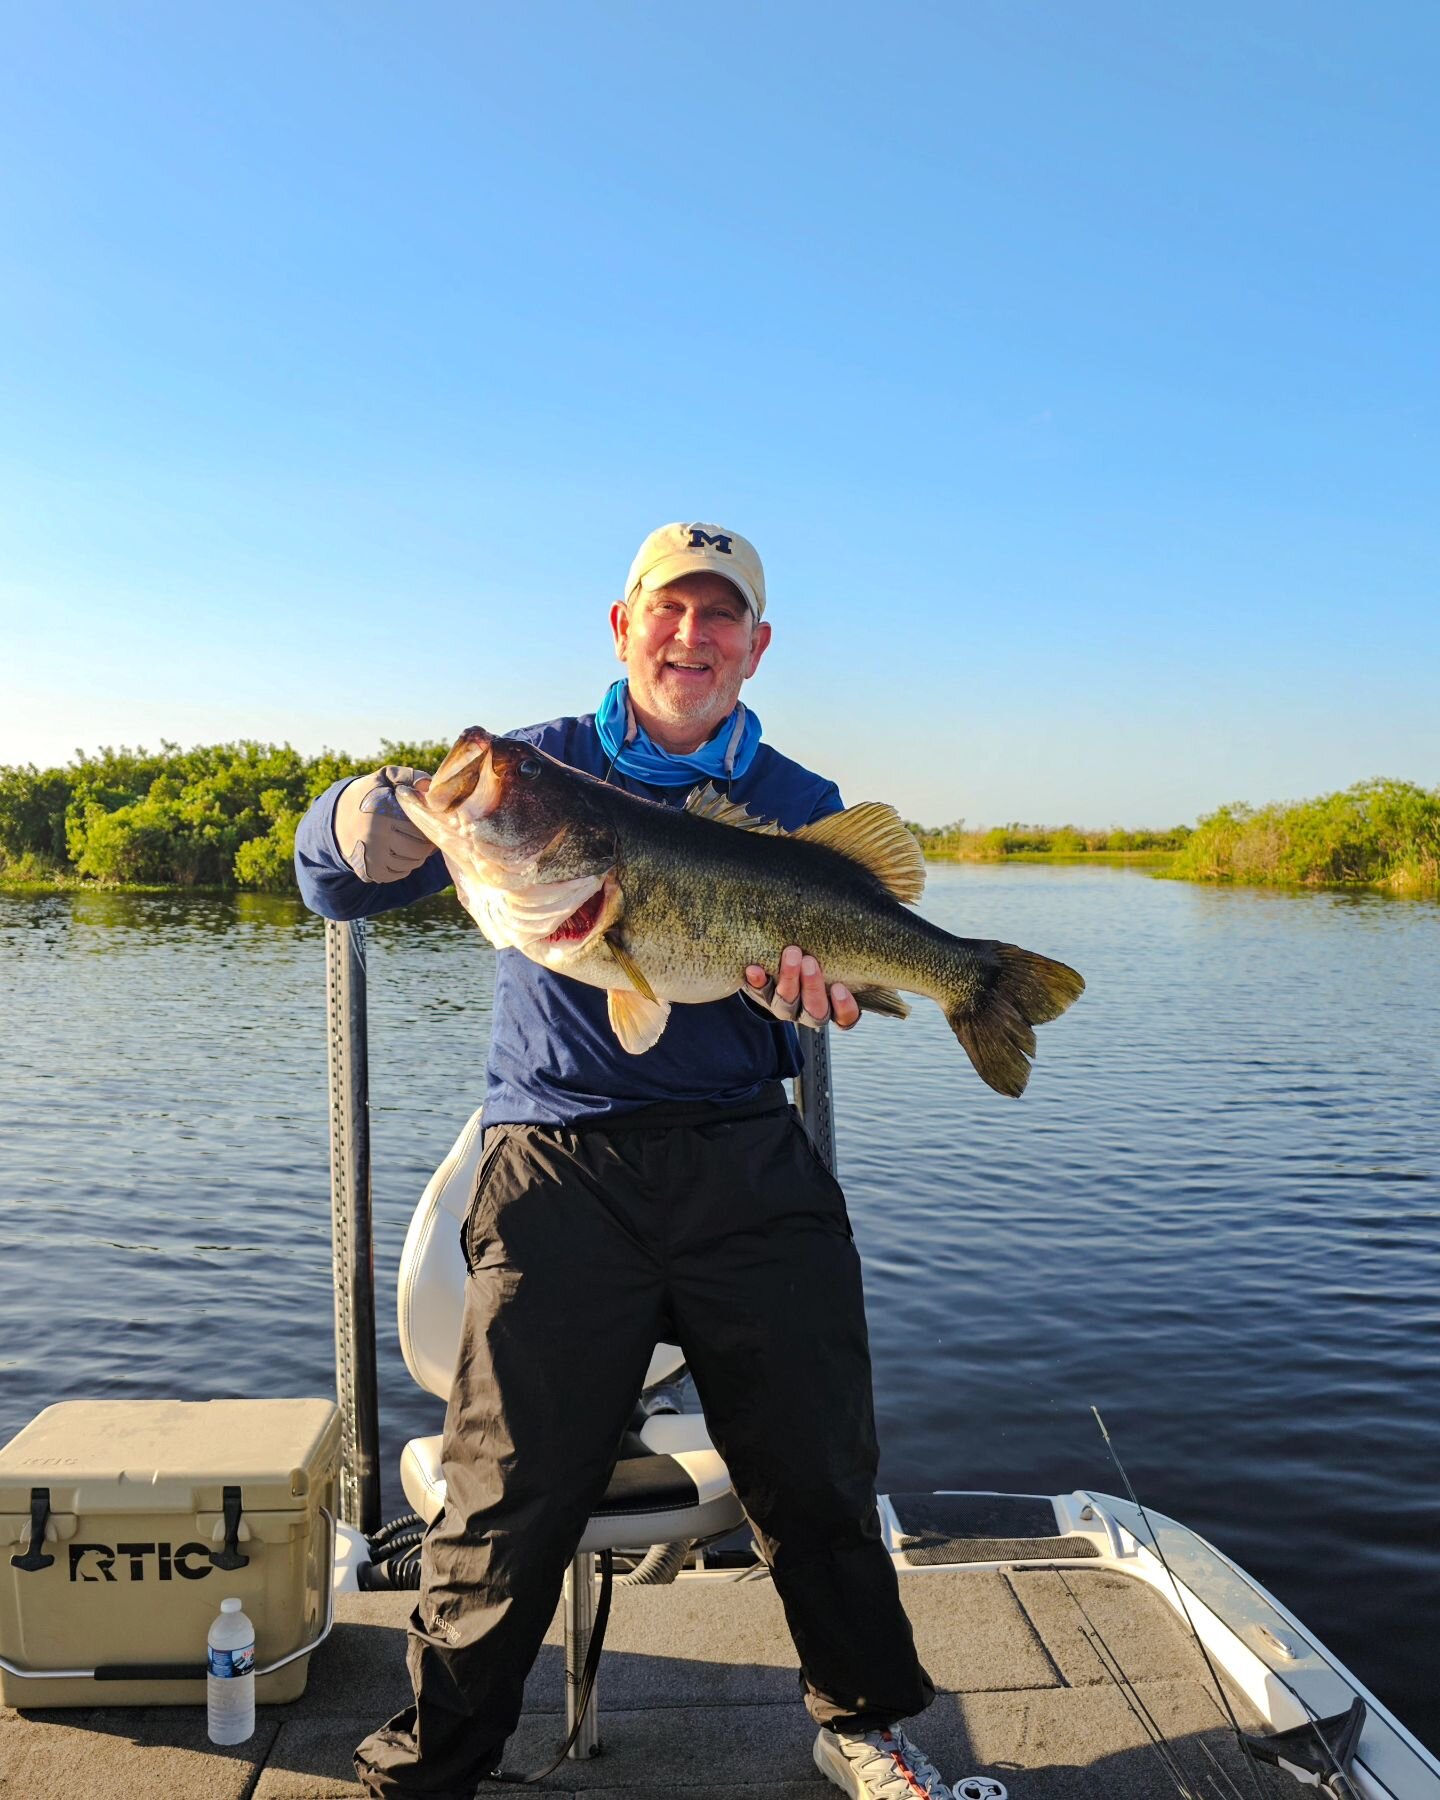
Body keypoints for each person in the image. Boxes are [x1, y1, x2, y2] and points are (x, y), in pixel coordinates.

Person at [295, 522, 959, 1800]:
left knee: (816, 1466)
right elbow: (336, 883)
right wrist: (350, 821)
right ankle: (431, 1765)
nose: (691, 638)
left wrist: (829, 994)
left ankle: (867, 1723)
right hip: (559, 1161)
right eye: (670, 611)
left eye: (722, 620)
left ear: (756, 648)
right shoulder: (535, 768)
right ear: (623, 623)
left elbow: (820, 962)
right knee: (501, 1497)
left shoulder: (799, 809)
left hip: (743, 1161)